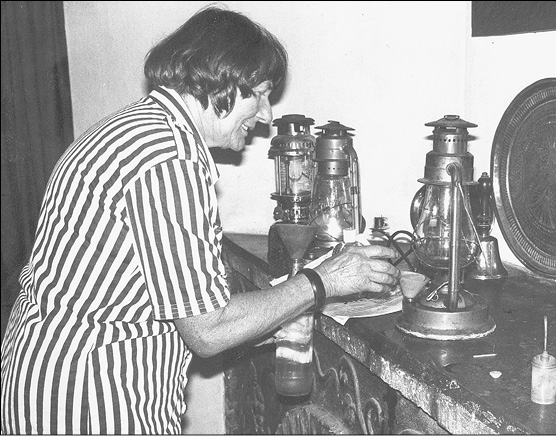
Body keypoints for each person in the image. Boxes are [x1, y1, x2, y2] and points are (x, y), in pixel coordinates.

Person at [0, 4, 401, 434]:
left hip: (51, 386)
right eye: (262, 93)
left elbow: (165, 305)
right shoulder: (170, 158)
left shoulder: (135, 130)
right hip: (89, 403)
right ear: (223, 80)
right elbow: (208, 329)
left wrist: (275, 317)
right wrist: (324, 280)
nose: (266, 115)